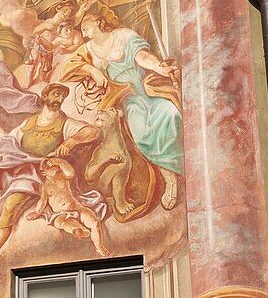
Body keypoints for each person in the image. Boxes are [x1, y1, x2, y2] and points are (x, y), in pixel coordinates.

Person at [0, 82, 101, 292]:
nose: (59, 99)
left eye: (62, 96)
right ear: (45, 96)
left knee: (10, 207)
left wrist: (71, 142)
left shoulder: (65, 123)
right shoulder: (30, 122)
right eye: (55, 94)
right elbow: (9, 146)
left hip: (35, 175)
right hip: (13, 169)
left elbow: (93, 132)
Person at [61, 11, 183, 209]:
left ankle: (180, 167)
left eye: (86, 26)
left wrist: (160, 68)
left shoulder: (123, 35)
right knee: (143, 133)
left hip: (147, 89)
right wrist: (92, 69)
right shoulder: (88, 49)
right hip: (127, 99)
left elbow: (142, 56)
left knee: (171, 113)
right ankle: (169, 179)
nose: (83, 31)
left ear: (98, 20)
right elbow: (67, 69)